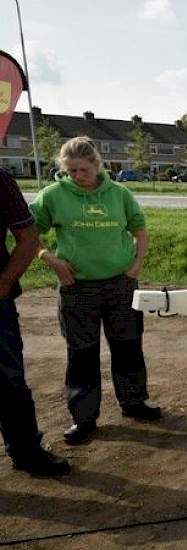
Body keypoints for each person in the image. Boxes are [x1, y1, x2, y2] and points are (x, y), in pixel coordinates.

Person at [31, 137, 162, 446]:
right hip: (77, 289)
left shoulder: (119, 194)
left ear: (96, 165)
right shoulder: (52, 196)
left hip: (120, 285)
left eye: (83, 169)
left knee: (128, 347)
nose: (78, 175)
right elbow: (28, 234)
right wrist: (48, 258)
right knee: (82, 354)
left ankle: (134, 402)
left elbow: (140, 230)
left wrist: (136, 266)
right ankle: (84, 418)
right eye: (72, 170)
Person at [0, 168, 71, 476]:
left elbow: (28, 239)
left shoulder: (0, 181)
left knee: (8, 381)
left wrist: (2, 286)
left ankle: (26, 452)